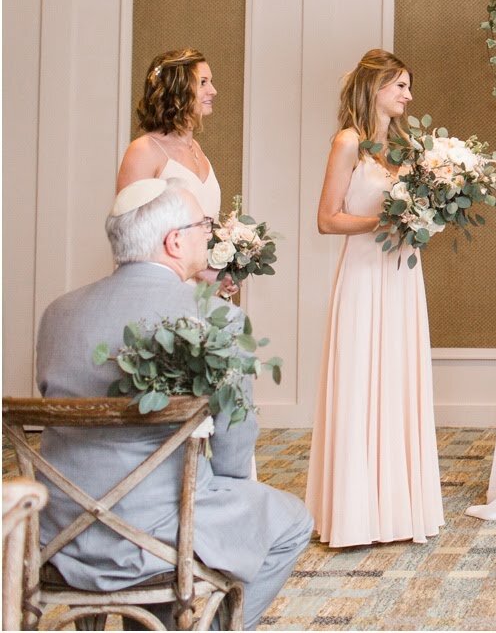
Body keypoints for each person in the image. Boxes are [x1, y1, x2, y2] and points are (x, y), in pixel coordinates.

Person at [34, 179, 312, 630]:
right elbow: (234, 443)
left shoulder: (57, 314)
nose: (211, 234)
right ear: (174, 240)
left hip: (59, 531)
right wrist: (230, 493)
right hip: (162, 535)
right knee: (293, 521)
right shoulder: (216, 315)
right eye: (204, 225)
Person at [304, 49, 444, 547]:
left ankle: (398, 511)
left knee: (397, 378)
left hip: (402, 277)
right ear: (376, 88)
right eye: (400, 86)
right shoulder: (348, 143)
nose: (408, 95)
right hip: (365, 274)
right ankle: (356, 513)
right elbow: (327, 219)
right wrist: (386, 222)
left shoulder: (403, 144)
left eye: (408, 86)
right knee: (363, 378)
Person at [117, 49, 226, 289]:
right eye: (203, 83)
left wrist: (223, 266)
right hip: (159, 287)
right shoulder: (144, 150)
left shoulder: (196, 148)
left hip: (202, 293)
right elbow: (130, 234)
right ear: (178, 91)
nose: (213, 91)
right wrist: (200, 271)